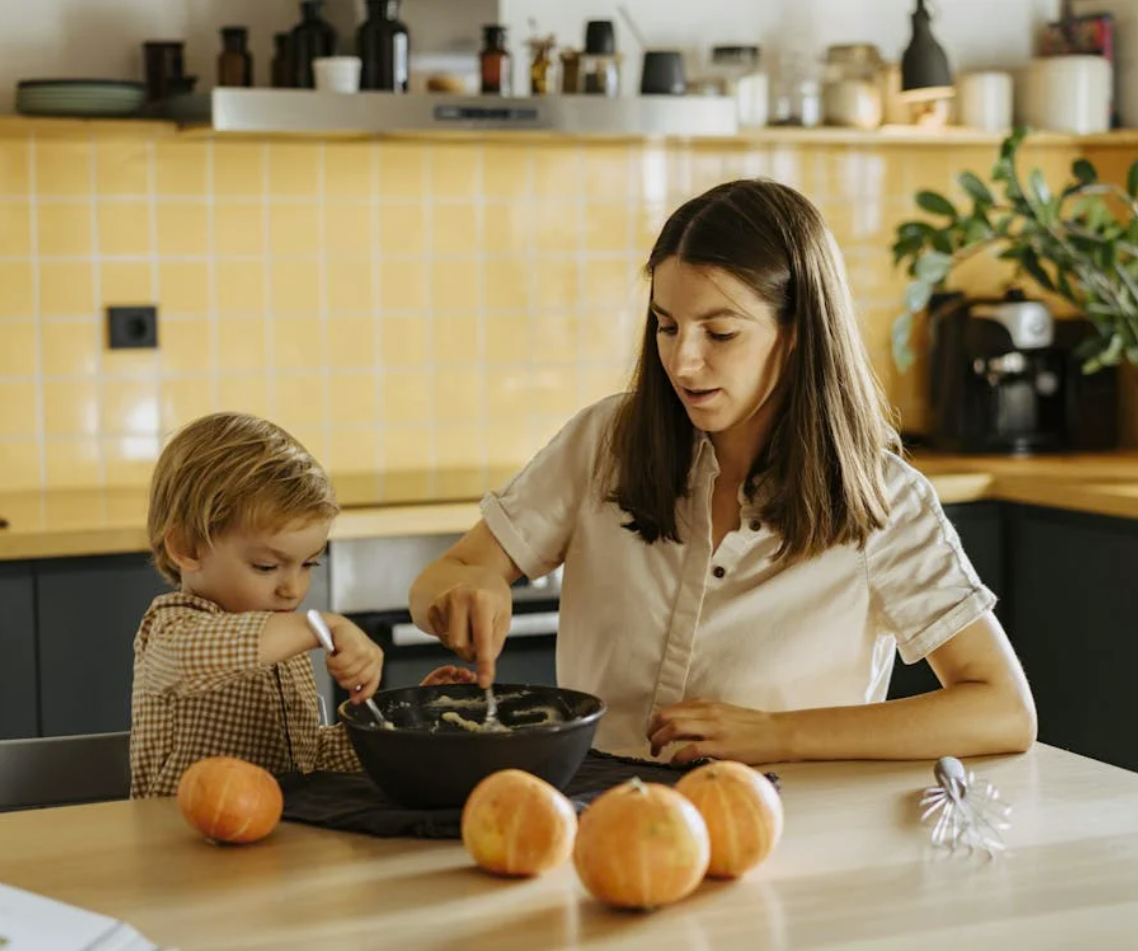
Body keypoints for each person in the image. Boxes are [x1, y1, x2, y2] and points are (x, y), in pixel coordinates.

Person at [408, 179, 1037, 765]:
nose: (683, 362)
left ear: (797, 334)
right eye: (667, 326)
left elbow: (1002, 707)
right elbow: (447, 574)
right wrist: (467, 589)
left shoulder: (883, 501)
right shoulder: (606, 442)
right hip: (598, 817)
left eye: (721, 332)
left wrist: (779, 735)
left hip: (789, 832)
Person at [131, 412, 470, 798]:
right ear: (187, 548)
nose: (293, 589)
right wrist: (319, 625)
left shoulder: (286, 646)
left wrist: (409, 720)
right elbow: (198, 655)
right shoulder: (169, 630)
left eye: (309, 563)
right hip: (179, 849)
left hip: (274, 844)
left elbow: (309, 760)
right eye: (267, 566)